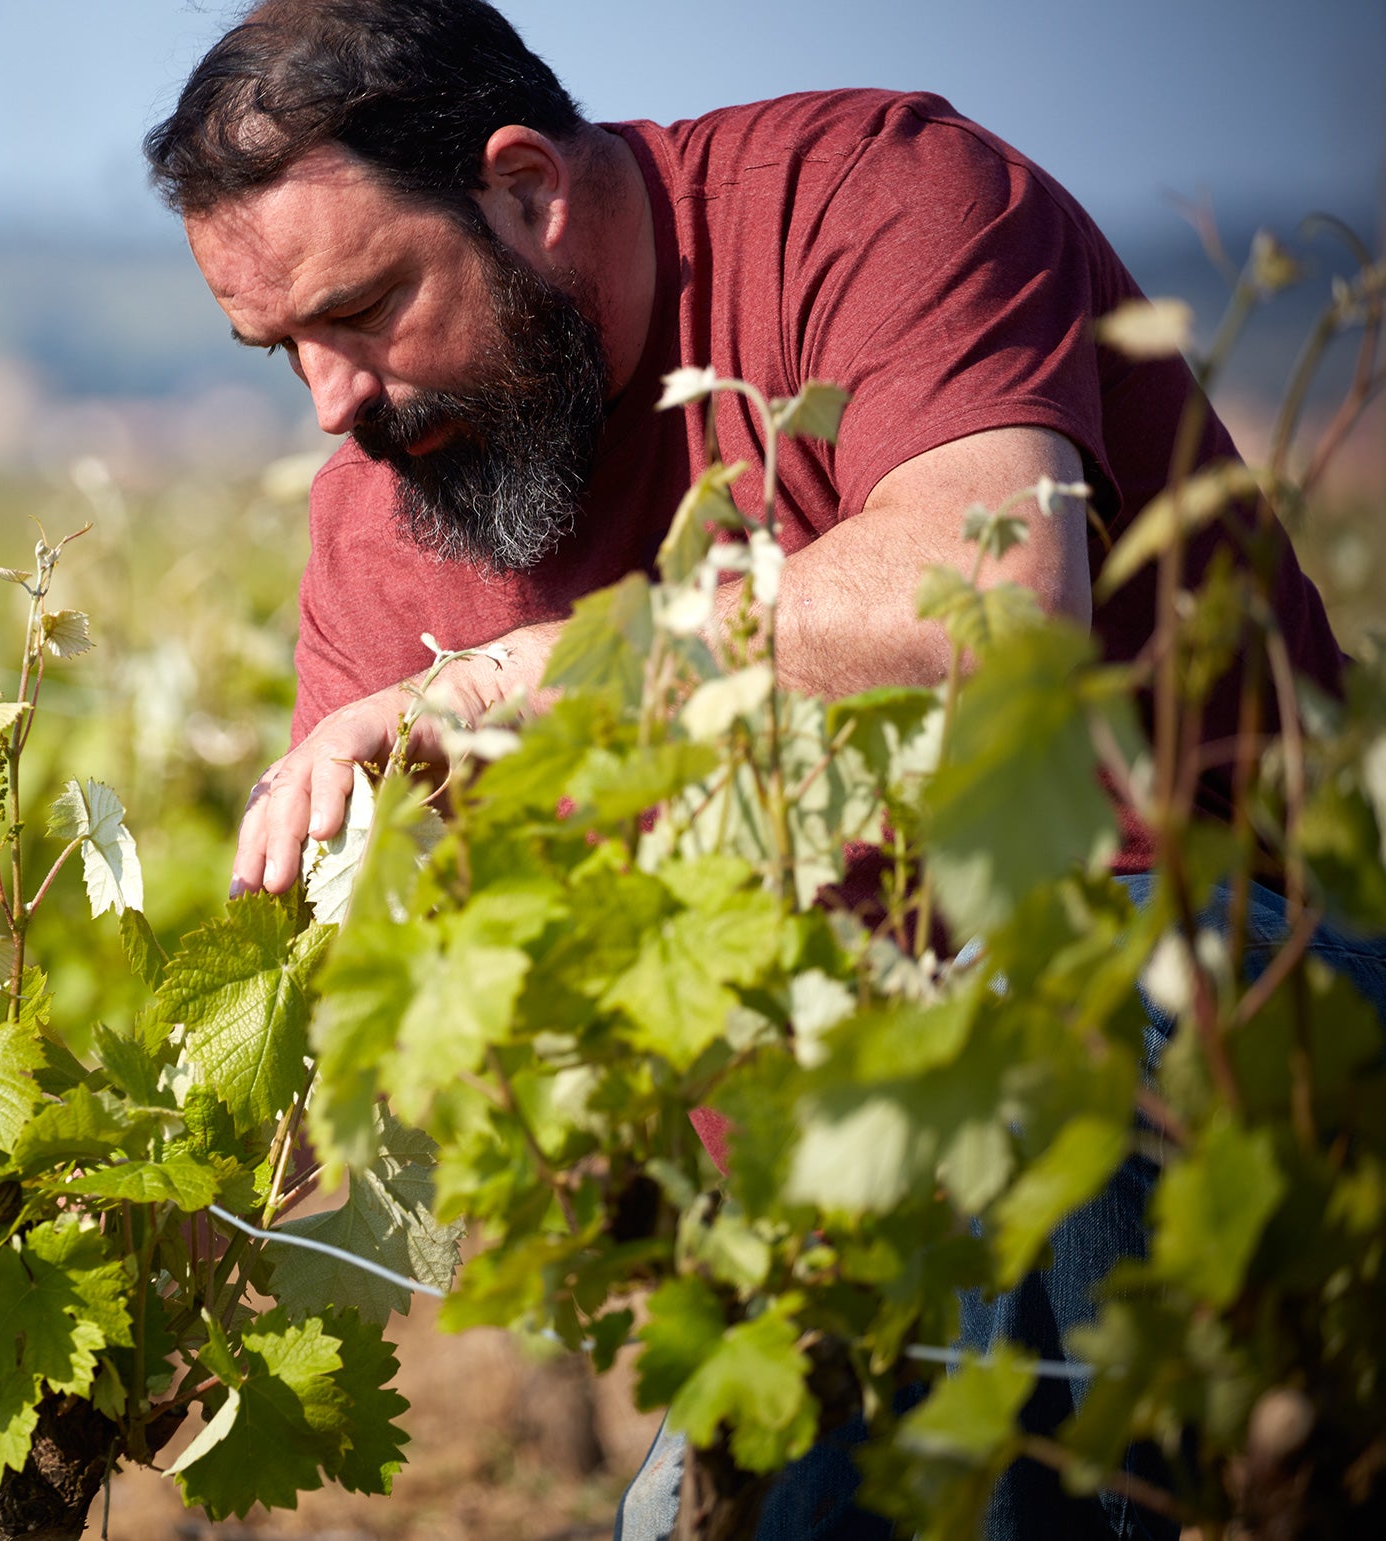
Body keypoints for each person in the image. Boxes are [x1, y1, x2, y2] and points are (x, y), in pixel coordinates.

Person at [143, 1, 1362, 1538]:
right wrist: (154, 1189)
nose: (336, 406)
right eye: (281, 354)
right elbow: (355, 998)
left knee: (1083, 1005)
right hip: (816, 1255)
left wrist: (535, 674)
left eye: (367, 307)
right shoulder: (372, 530)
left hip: (1234, 1029)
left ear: (526, 188)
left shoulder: (875, 200)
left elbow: (987, 605)